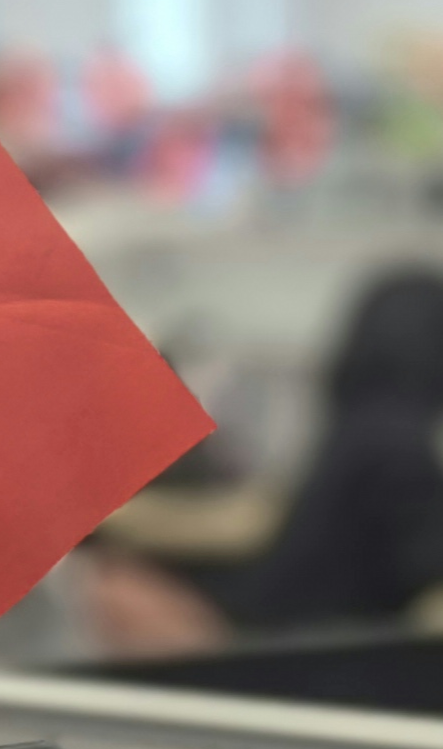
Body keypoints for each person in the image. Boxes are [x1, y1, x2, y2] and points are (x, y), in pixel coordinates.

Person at [78, 268, 443, 657]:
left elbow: (257, 524)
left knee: (116, 586)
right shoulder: (395, 442)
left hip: (282, 638)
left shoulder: (368, 438)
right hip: (301, 636)